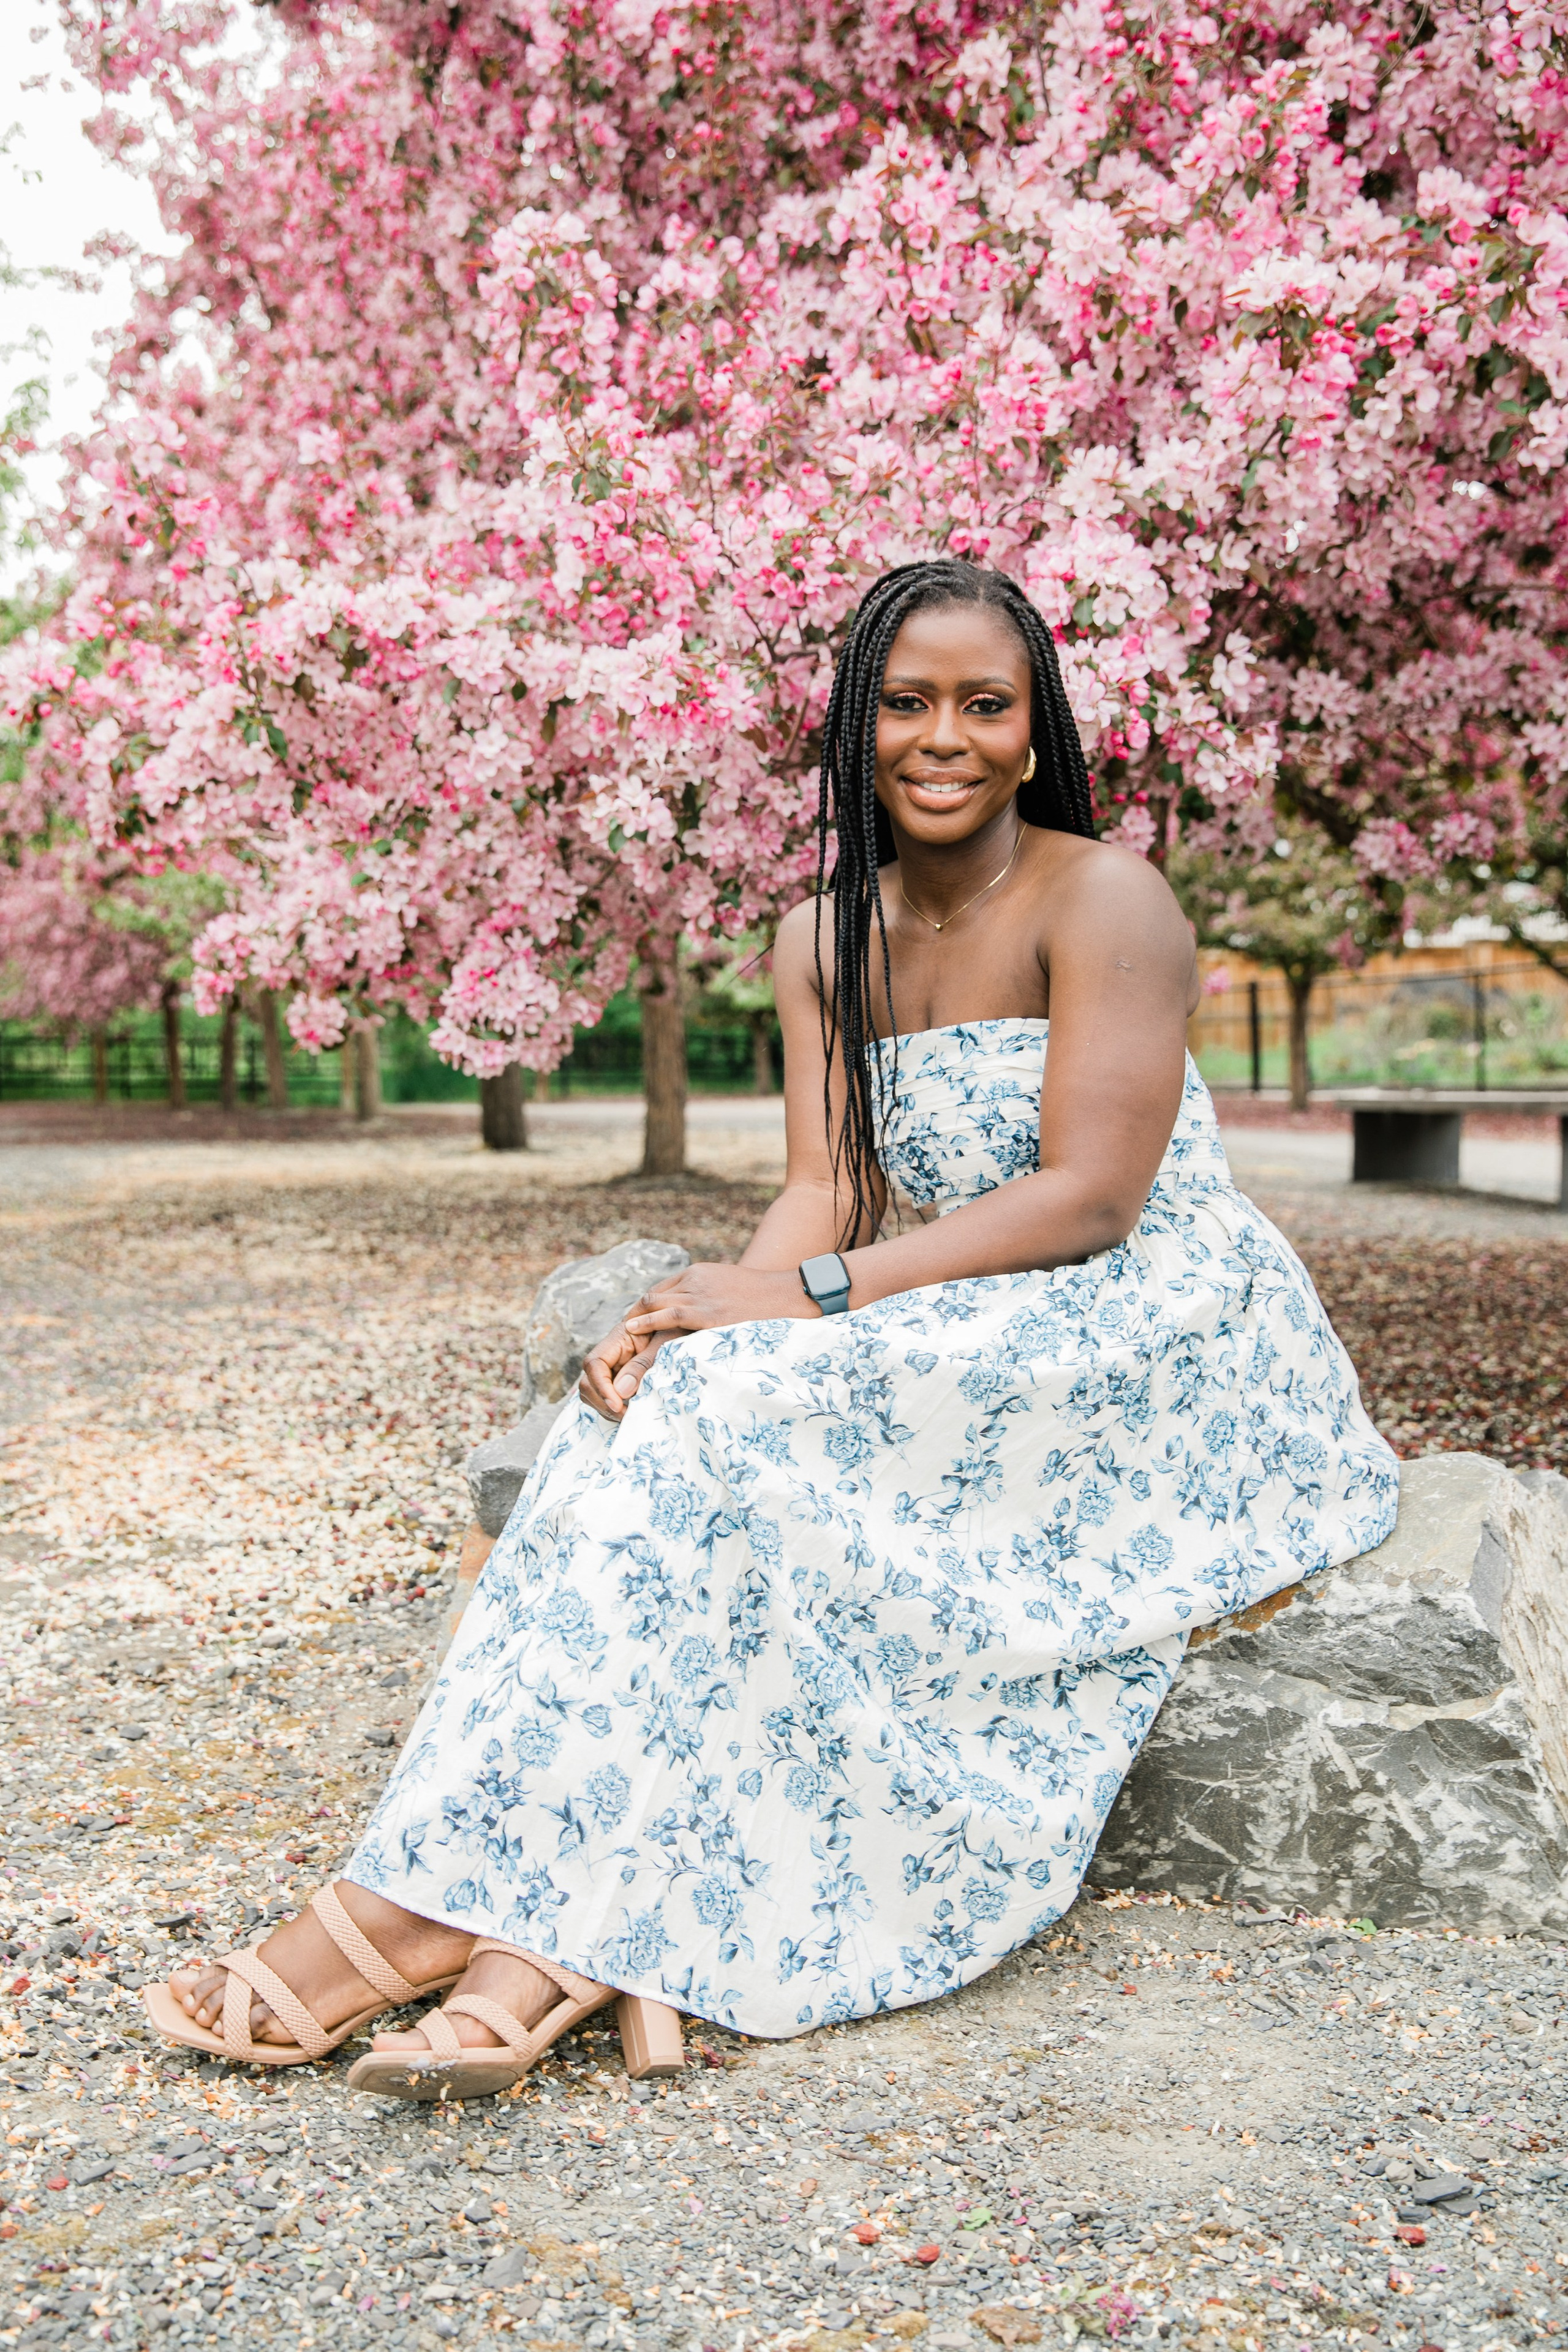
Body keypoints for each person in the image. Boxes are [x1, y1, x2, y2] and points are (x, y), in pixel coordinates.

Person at [146, 558, 1398, 2094]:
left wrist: (796, 1301)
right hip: (956, 1297)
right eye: (906, 701)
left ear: (1030, 728)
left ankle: (418, 1923)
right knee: (654, 1411)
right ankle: (522, 1931)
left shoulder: (1105, 897)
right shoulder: (821, 939)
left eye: (982, 704)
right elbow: (823, 1184)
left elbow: (1088, 1201)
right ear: (854, 725)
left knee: (730, 1410)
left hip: (1148, 1325)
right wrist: (699, 1318)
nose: (943, 736)